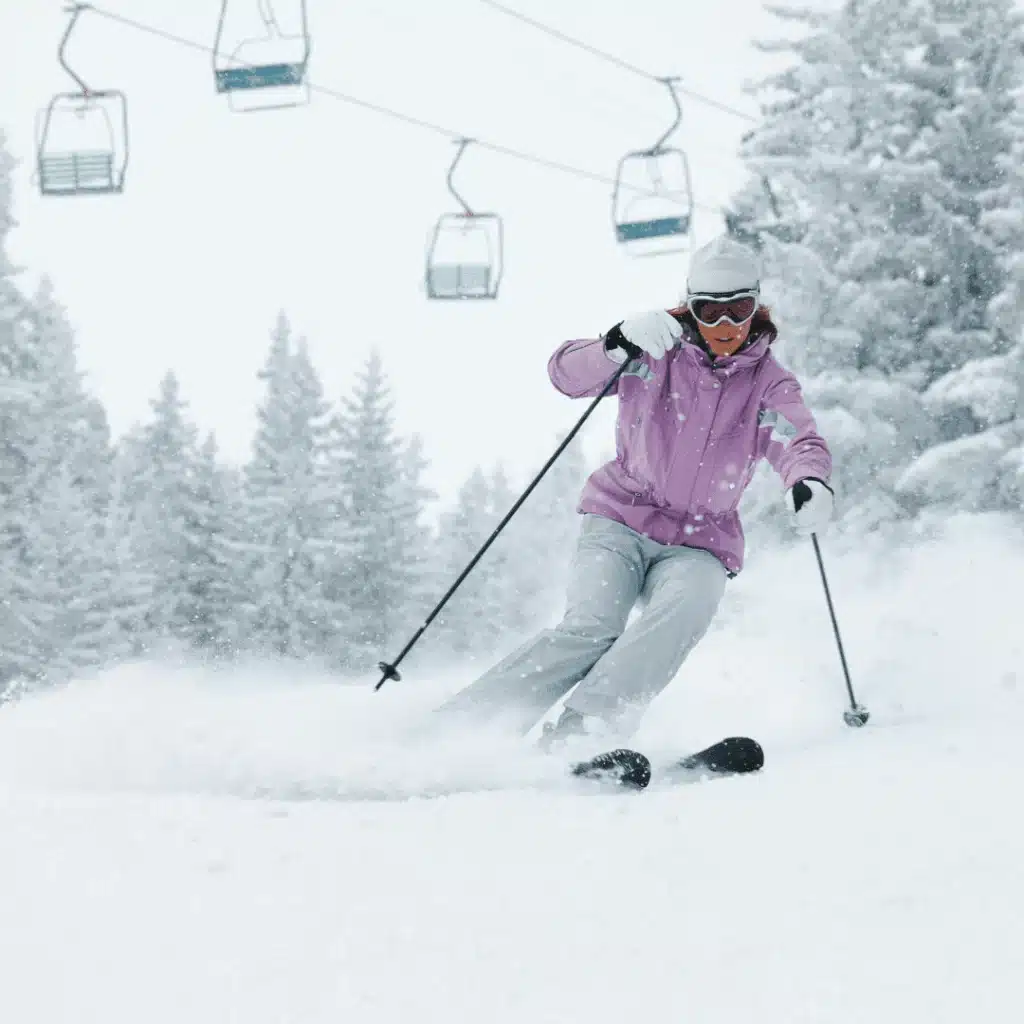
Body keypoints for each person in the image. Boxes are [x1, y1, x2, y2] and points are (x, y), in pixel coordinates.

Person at [436, 236, 834, 749]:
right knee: (591, 627)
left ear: (757, 308)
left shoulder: (769, 385)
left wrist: (808, 480)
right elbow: (566, 376)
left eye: (738, 309)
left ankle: (583, 733)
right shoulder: (654, 351)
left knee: (688, 608)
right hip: (620, 518)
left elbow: (798, 439)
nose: (725, 327)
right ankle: (464, 728)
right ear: (691, 308)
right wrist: (614, 343)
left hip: (701, 541)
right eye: (710, 312)